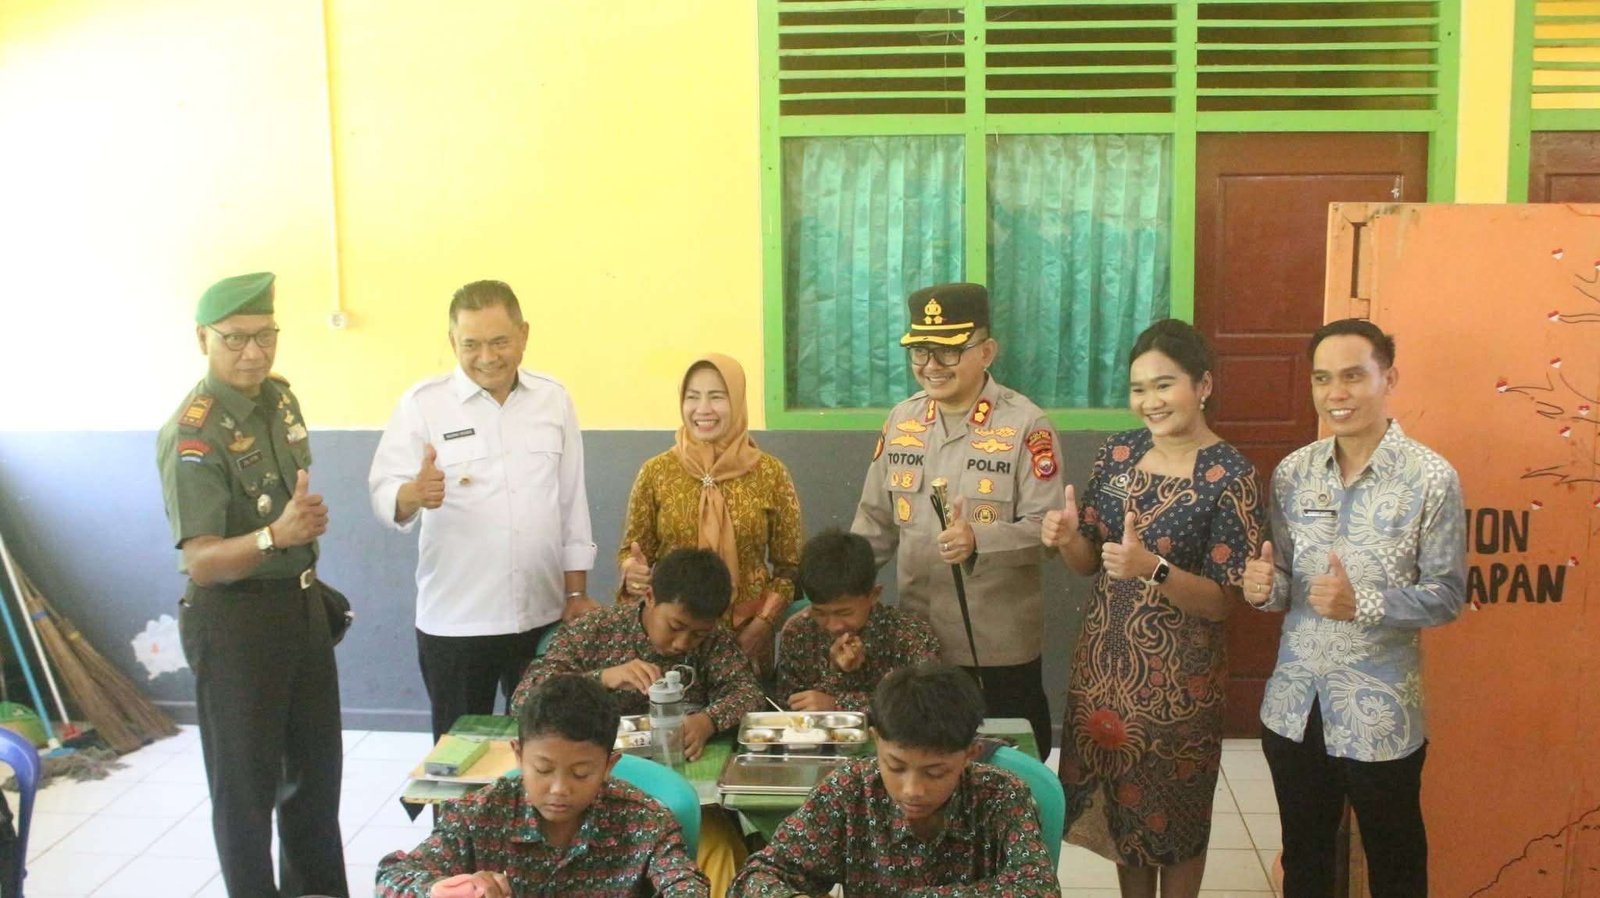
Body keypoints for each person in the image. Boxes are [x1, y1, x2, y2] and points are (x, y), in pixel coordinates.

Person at [1242, 318, 1466, 898]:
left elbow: (1446, 595)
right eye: (1322, 379)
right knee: (1306, 862)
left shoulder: (1432, 478)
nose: (1335, 394)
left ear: (1387, 377)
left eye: (1352, 376)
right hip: (1294, 706)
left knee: (1395, 863)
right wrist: (1264, 588)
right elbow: (1287, 583)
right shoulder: (1293, 473)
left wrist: (1360, 601)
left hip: (1381, 713)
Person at [1041, 319, 1263, 898]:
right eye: (1139, 388)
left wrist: (1153, 569)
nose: (1149, 402)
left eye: (1164, 385)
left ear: (1203, 385)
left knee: (1177, 817)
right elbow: (1089, 561)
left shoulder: (1231, 476)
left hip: (1177, 690)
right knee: (1122, 815)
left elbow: (1221, 602)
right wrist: (1067, 538)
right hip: (1104, 672)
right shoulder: (1118, 453)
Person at [156, 272, 347, 897]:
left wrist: (291, 542)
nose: (253, 352)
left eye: (265, 336)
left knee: (316, 781)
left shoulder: (280, 399)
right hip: (234, 621)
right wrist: (275, 535)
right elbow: (201, 561)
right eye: (235, 339)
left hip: (300, 606)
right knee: (245, 796)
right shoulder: (193, 433)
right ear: (202, 339)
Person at [368, 279, 599, 743]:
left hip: (542, 613)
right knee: (458, 761)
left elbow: (572, 502)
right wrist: (413, 493)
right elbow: (383, 492)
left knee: (543, 749)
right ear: (452, 341)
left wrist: (575, 595)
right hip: (457, 622)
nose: (487, 357)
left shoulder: (553, 399)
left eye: (500, 342)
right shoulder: (423, 404)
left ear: (524, 335)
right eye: (471, 344)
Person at [851, 283, 1062, 754]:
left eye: (948, 352)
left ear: (987, 351)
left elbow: (1047, 534)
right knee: (924, 771)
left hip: (995, 650)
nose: (930, 366)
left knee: (1007, 770)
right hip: (916, 641)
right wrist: (836, 597)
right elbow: (873, 525)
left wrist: (979, 540)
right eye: (920, 351)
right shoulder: (901, 420)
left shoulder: (1026, 426)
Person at [729, 662, 1059, 898]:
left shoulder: (1001, 796)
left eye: (935, 772)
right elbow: (756, 876)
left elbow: (1038, 887)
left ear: (970, 754)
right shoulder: (849, 792)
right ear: (875, 741)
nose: (912, 790)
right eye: (896, 766)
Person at [376, 674, 709, 898]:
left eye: (581, 774)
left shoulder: (645, 822)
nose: (559, 788)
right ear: (519, 756)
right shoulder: (480, 815)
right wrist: (444, 890)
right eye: (543, 769)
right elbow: (393, 876)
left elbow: (684, 885)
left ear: (609, 767)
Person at [617, 354, 801, 673]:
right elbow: (632, 552)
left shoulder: (770, 473)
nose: (703, 409)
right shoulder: (656, 472)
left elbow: (789, 567)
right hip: (672, 638)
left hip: (745, 635)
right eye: (692, 397)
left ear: (738, 400)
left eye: (717, 396)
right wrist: (631, 570)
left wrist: (764, 624)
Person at [510, 548, 762, 758]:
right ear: (650, 596)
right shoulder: (593, 629)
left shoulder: (715, 640)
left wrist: (707, 722)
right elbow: (525, 700)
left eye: (699, 634)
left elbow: (748, 694)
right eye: (675, 626)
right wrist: (602, 678)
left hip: (681, 762)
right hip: (596, 764)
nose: (683, 643)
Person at [775, 529, 941, 712]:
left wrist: (838, 705)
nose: (833, 625)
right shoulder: (799, 633)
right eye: (820, 613)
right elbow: (787, 706)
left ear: (874, 595)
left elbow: (927, 704)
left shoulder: (909, 633)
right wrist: (835, 672)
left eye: (844, 612)